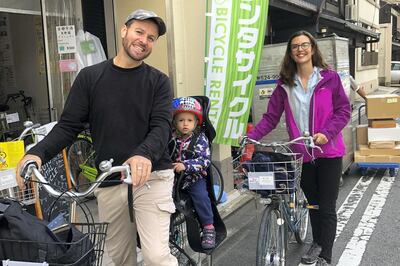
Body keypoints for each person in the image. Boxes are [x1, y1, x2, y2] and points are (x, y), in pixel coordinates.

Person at [16, 9, 178, 266]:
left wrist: (143, 153)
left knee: (156, 257)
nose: (144, 41)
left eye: (151, 37)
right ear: (124, 31)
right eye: (139, 32)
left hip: (151, 176)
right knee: (121, 258)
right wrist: (37, 152)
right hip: (109, 178)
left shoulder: (158, 81)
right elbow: (68, 126)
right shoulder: (90, 78)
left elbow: (161, 127)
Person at [245, 30, 351, 266]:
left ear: (313, 49)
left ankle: (325, 255)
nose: (300, 49)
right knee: (312, 202)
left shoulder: (329, 78)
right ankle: (317, 243)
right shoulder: (285, 85)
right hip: (302, 154)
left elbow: (344, 110)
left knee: (326, 206)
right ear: (290, 53)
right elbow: (270, 117)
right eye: (295, 46)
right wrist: (251, 137)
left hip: (329, 152)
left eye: (304, 45)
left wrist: (327, 133)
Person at [170, 97, 216, 249]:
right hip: (174, 179)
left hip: (193, 178)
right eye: (181, 120)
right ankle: (165, 229)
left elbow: (205, 161)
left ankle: (209, 227)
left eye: (189, 120)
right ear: (174, 122)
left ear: (196, 122)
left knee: (201, 197)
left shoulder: (200, 139)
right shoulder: (172, 138)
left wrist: (186, 165)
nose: (185, 124)